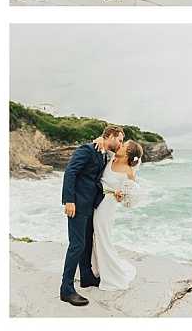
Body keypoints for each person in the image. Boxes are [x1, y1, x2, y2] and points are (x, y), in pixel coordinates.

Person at [60, 126, 125, 306]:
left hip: (91, 206)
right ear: (110, 136)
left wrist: (115, 192)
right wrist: (68, 200)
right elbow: (70, 172)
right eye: (119, 140)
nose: (120, 144)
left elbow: (97, 180)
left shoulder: (103, 153)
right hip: (77, 205)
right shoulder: (87, 150)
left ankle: (86, 276)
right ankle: (66, 289)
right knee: (77, 245)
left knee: (87, 242)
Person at [92, 140, 143, 290]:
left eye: (124, 146)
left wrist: (121, 195)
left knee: (102, 237)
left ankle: (111, 275)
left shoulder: (129, 172)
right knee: (93, 235)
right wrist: (100, 139)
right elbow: (103, 143)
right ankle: (95, 269)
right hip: (95, 200)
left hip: (107, 205)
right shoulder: (111, 156)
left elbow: (130, 199)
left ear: (128, 153)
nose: (119, 146)